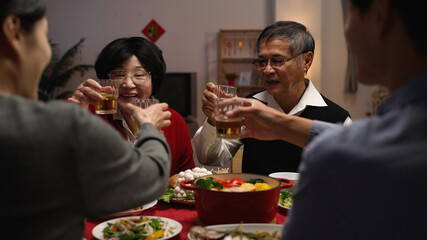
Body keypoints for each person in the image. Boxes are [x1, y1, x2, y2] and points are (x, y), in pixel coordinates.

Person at [221, 0, 427, 238]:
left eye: (349, 16)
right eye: (262, 61)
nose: (347, 31)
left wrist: (283, 127)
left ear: (382, 16)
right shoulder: (254, 106)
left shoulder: (333, 147)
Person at [0, 0, 172, 239]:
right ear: (14, 30)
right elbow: (145, 181)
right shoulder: (67, 121)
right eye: (45, 36)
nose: (128, 83)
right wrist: (150, 128)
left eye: (139, 74)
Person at [192, 21, 351, 175]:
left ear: (307, 61)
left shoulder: (337, 119)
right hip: (255, 201)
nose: (267, 70)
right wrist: (214, 121)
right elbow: (211, 158)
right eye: (262, 61)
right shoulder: (250, 107)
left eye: (277, 61)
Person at [68, 37, 195, 176]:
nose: (128, 84)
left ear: (154, 80)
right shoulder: (85, 112)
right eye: (119, 74)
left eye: (139, 75)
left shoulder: (173, 121)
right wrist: (73, 116)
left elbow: (186, 181)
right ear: (106, 79)